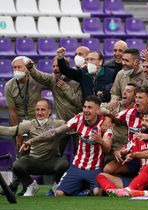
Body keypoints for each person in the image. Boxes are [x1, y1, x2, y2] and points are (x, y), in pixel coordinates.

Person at [21, 96, 113, 196]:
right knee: (59, 193)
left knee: (97, 192)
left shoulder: (104, 124)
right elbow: (54, 132)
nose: (86, 110)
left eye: (90, 108)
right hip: (77, 166)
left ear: (98, 110)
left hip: (95, 168)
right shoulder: (78, 119)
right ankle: (82, 190)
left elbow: (107, 148)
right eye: (84, 107)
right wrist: (32, 141)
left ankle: (85, 190)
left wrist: (101, 141)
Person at [0, 99, 69, 196]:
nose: (39, 113)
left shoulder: (58, 124)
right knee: (17, 165)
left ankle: (56, 185)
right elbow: (10, 131)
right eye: (37, 110)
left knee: (64, 164)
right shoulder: (29, 124)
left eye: (43, 110)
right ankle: (31, 185)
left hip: (51, 161)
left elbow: (74, 126)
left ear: (49, 111)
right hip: (34, 161)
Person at [96, 111, 148, 193]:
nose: (143, 123)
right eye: (143, 120)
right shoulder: (137, 139)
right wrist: (118, 153)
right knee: (101, 176)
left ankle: (129, 191)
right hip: (139, 180)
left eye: (147, 121)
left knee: (147, 176)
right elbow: (123, 150)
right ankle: (118, 194)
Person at [4, 56, 44, 194]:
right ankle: (19, 185)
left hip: (35, 122)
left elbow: (51, 83)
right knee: (19, 153)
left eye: (19, 67)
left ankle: (19, 185)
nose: (16, 70)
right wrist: (18, 133)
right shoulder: (9, 85)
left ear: (26, 68)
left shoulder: (36, 80)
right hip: (19, 121)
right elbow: (12, 111)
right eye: (14, 68)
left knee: (29, 154)